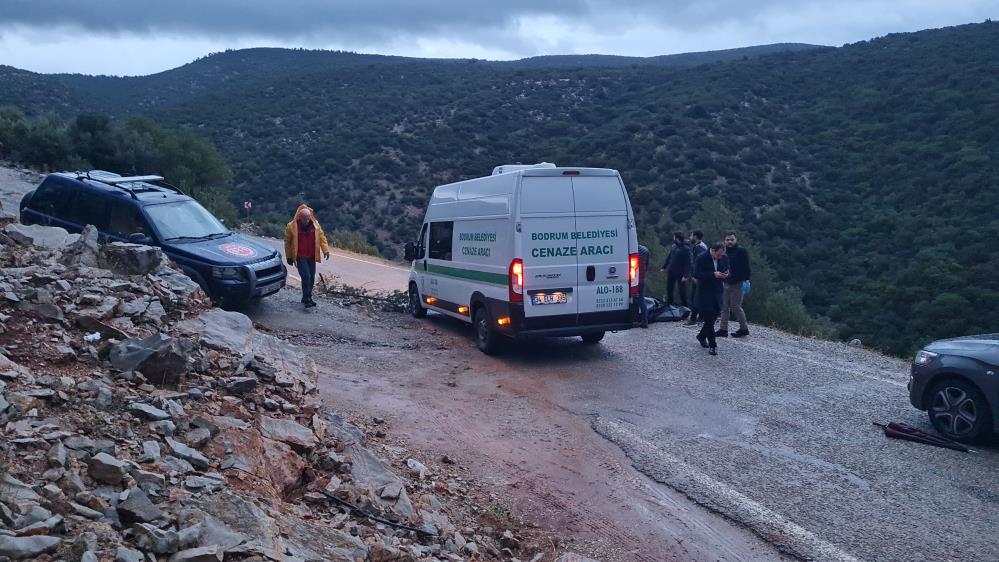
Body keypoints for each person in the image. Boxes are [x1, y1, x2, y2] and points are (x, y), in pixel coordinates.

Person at [284, 204, 330, 308]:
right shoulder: (291, 226)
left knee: (312, 277)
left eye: (308, 218)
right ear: (300, 217)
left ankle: (307, 297)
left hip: (311, 255)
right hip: (300, 256)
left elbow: (322, 237)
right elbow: (287, 242)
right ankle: (307, 298)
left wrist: (326, 250)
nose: (307, 220)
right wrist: (289, 256)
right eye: (305, 218)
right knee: (306, 276)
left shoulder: (315, 225)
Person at [694, 242, 729, 355]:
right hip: (705, 292)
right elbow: (697, 274)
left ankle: (701, 336)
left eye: (721, 255)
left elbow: (727, 267)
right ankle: (713, 345)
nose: (720, 257)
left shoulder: (723, 257)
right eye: (718, 255)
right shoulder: (701, 258)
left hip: (718, 291)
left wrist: (726, 273)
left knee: (713, 317)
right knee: (709, 319)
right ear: (713, 250)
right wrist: (713, 274)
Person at [716, 231, 751, 338]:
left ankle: (744, 329)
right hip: (724, 282)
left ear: (736, 240)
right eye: (727, 240)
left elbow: (747, 267)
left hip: (737, 283)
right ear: (724, 241)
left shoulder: (741, 251)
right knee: (724, 307)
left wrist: (747, 280)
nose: (730, 242)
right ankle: (723, 329)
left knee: (735, 306)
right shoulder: (723, 252)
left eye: (732, 239)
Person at [660, 232, 691, 308]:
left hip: (680, 273)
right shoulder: (674, 246)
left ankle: (685, 306)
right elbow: (669, 257)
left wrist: (686, 275)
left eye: (674, 237)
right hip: (671, 271)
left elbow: (688, 263)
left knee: (682, 290)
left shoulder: (686, 249)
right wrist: (664, 267)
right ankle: (670, 304)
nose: (673, 239)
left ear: (677, 238)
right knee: (669, 288)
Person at [685, 229, 708, 325]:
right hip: (700, 276)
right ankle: (701, 316)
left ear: (695, 236)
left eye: (691, 236)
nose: (690, 238)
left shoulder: (700, 248)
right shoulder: (699, 246)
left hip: (699, 277)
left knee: (696, 297)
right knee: (698, 296)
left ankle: (693, 318)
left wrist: (695, 276)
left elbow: (699, 263)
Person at [636, 244, 651, 328]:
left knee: (636, 299)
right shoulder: (645, 249)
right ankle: (645, 321)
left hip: (633, 278)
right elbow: (647, 264)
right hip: (641, 277)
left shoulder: (630, 250)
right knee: (642, 300)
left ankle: (635, 318)